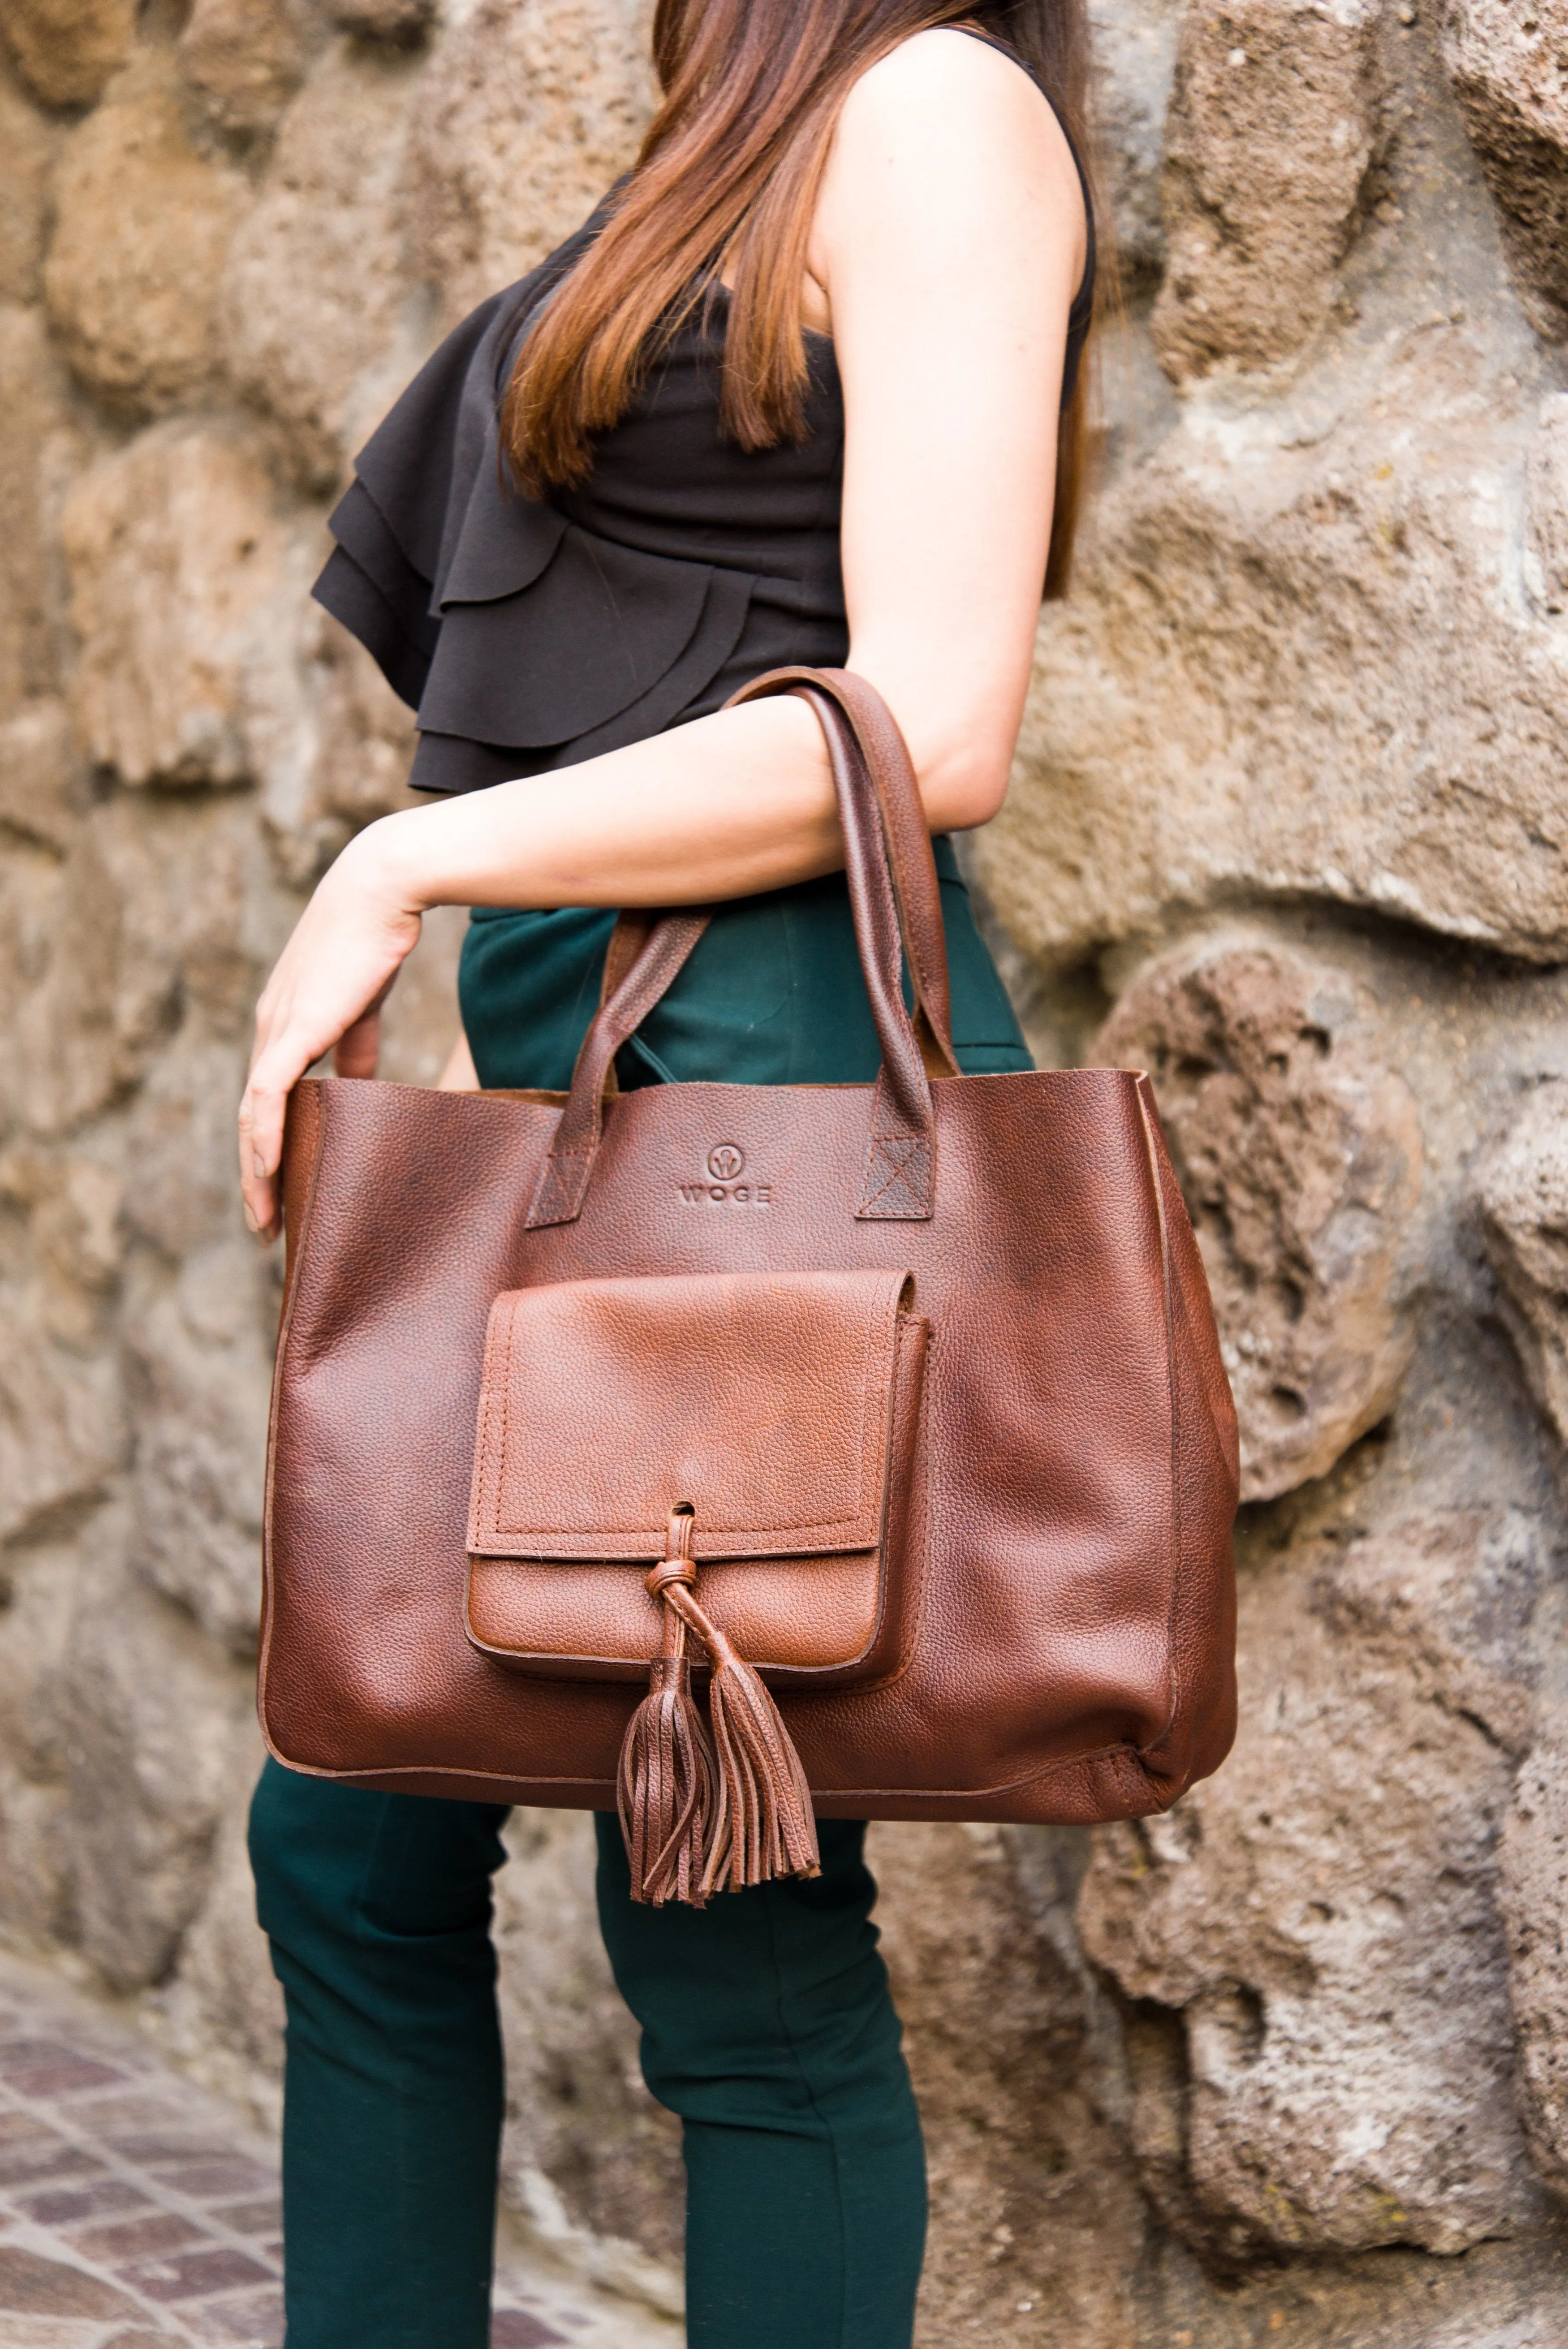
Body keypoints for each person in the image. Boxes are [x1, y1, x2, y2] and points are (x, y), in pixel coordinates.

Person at [239, 3, 1096, 2342]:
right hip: (614, 1080)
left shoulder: (931, 106)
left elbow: (931, 712)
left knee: (719, 1912)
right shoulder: (738, 146)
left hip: (757, 1100)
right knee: (349, 1826)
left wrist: (395, 864)